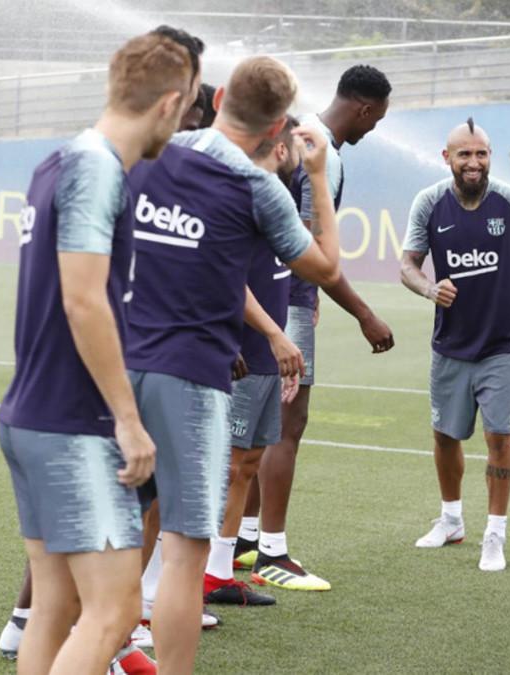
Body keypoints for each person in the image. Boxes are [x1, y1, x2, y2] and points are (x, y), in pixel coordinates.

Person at [124, 55, 341, 674]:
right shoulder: (260, 187)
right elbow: (325, 268)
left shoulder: (157, 151)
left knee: (119, 530)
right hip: (193, 377)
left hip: (124, 363)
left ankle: (100, 648)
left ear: (217, 103)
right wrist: (319, 176)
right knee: (186, 554)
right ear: (278, 131)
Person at [0, 31, 194, 675]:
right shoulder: (97, 168)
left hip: (30, 416)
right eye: (189, 105)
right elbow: (84, 302)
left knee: (53, 607)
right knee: (112, 609)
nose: (189, 119)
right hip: (74, 427)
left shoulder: (57, 161)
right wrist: (128, 420)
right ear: (168, 103)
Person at [241, 64, 396, 592]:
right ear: (365, 109)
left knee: (265, 422)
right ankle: (272, 551)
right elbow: (306, 250)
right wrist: (365, 314)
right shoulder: (316, 152)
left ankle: (243, 538)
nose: (375, 130)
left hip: (283, 296)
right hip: (285, 299)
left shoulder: (304, 138)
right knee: (288, 420)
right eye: (377, 120)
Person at [400, 118, 510, 572]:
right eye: (465, 154)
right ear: (446, 157)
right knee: (445, 434)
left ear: (490, 156)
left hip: (503, 345)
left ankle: (495, 533)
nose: (474, 162)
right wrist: (430, 289)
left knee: (499, 436)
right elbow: (408, 265)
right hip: (450, 345)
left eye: (482, 154)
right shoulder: (429, 203)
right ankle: (451, 520)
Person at [201, 115, 304, 607]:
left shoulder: (278, 201)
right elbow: (228, 279)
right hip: (244, 354)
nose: (308, 151)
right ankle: (194, 573)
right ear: (280, 149)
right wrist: (270, 336)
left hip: (266, 356)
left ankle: (218, 572)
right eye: (299, 143)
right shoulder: (248, 199)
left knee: (248, 463)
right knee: (226, 465)